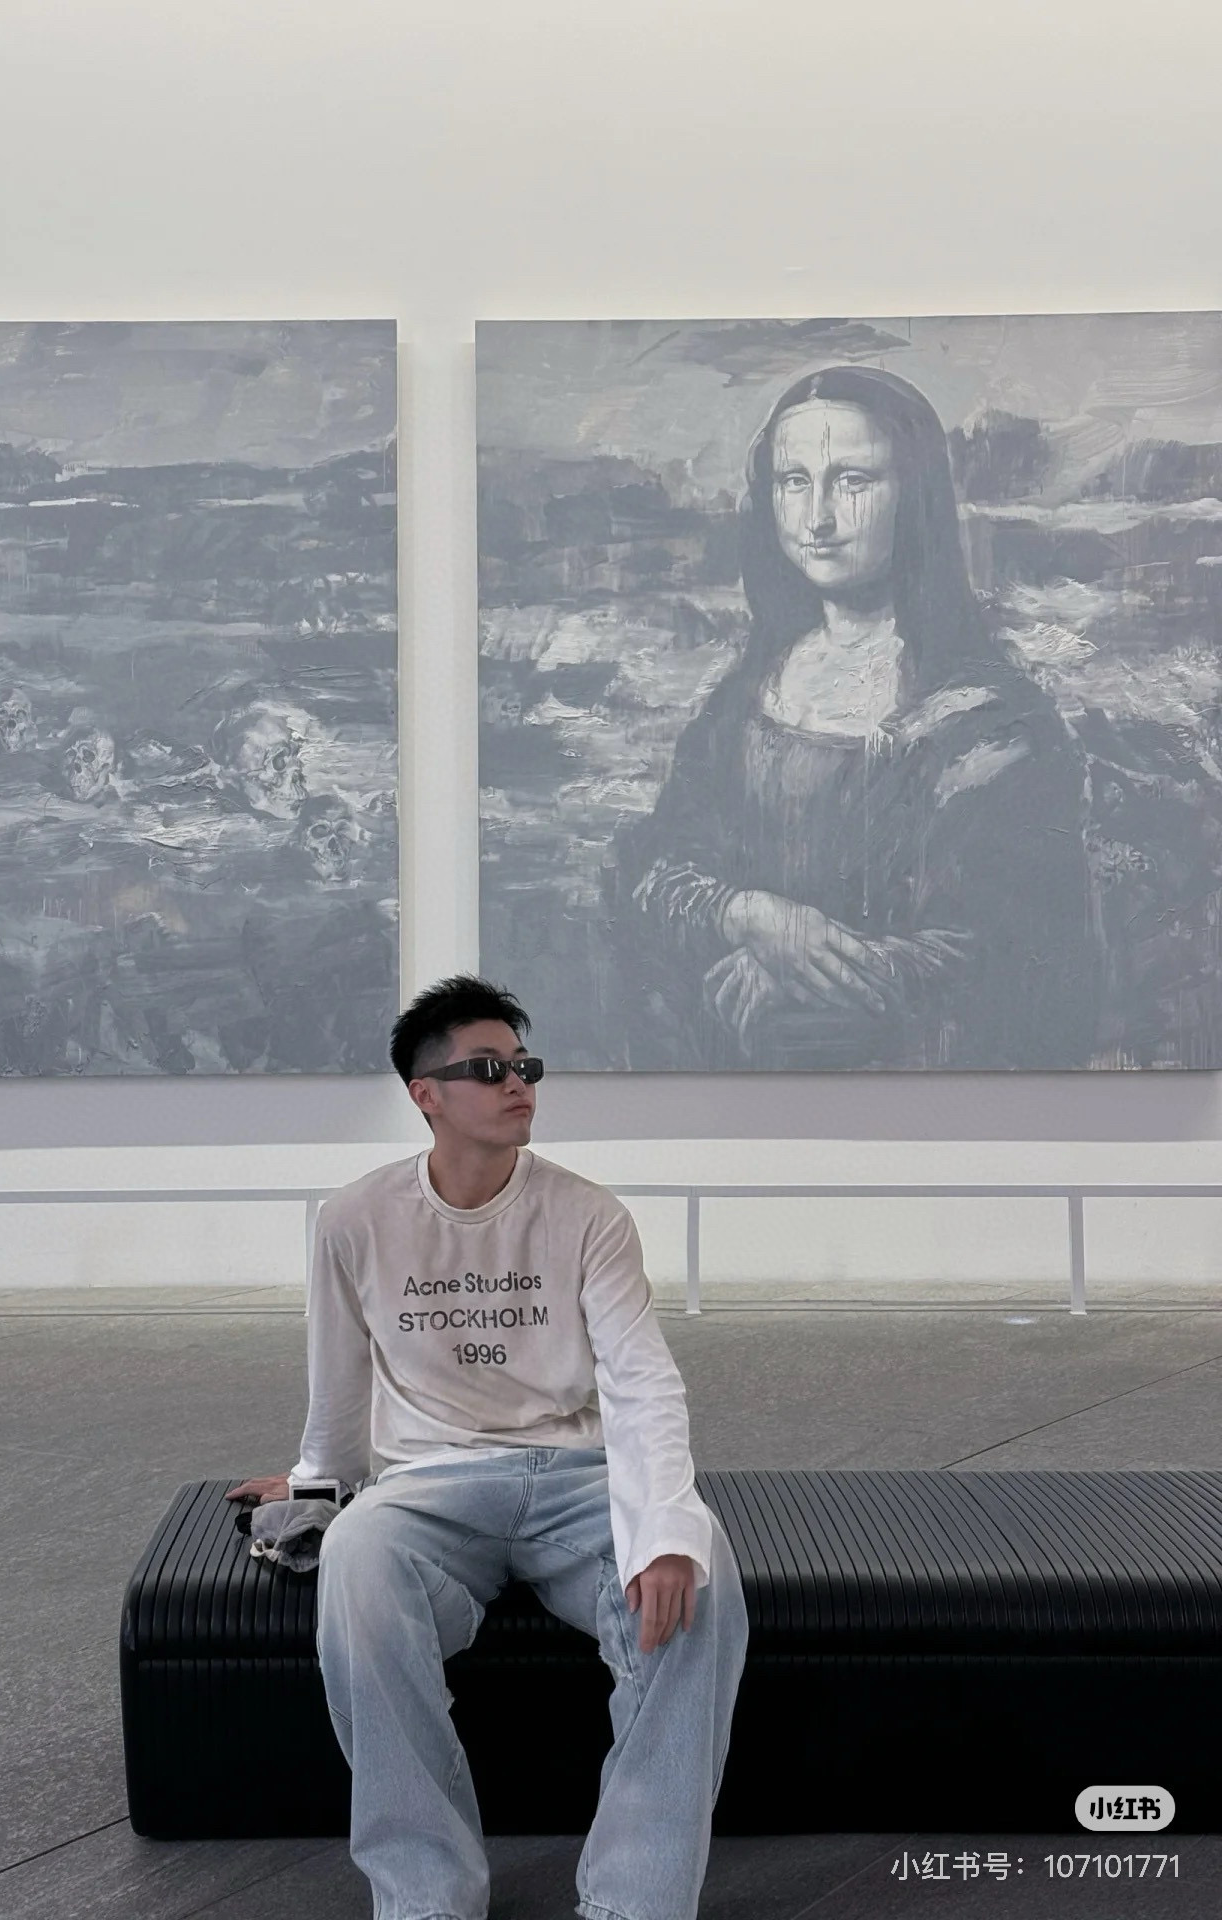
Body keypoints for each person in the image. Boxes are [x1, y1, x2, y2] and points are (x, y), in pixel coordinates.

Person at [226, 973, 747, 1920]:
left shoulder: (589, 1216)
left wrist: (668, 1531)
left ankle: (636, 1901)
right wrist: (317, 1482)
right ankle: (426, 1896)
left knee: (702, 1586)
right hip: (430, 1488)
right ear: (424, 1094)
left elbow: (642, 1381)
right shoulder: (354, 1219)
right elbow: (337, 1379)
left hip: (578, 1480)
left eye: (523, 1066)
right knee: (355, 1563)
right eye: (488, 1069)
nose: (518, 1085)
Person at [612, 364, 1100, 1070]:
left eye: (853, 481)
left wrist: (794, 973)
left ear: (915, 496)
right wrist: (751, 916)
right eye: (794, 481)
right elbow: (658, 871)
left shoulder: (992, 724)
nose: (817, 518)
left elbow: (1006, 959)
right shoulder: (747, 697)